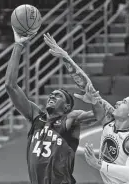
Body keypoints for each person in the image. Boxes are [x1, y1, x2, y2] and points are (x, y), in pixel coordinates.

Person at [44, 33, 129, 184]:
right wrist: (65, 57)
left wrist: (98, 164)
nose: (118, 102)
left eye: (124, 102)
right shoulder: (109, 119)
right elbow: (87, 87)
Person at [5, 28, 95, 184]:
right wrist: (18, 45)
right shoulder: (35, 116)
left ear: (67, 107)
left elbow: (101, 114)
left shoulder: (71, 119)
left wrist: (94, 98)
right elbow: (10, 86)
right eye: (51, 94)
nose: (52, 95)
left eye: (58, 95)